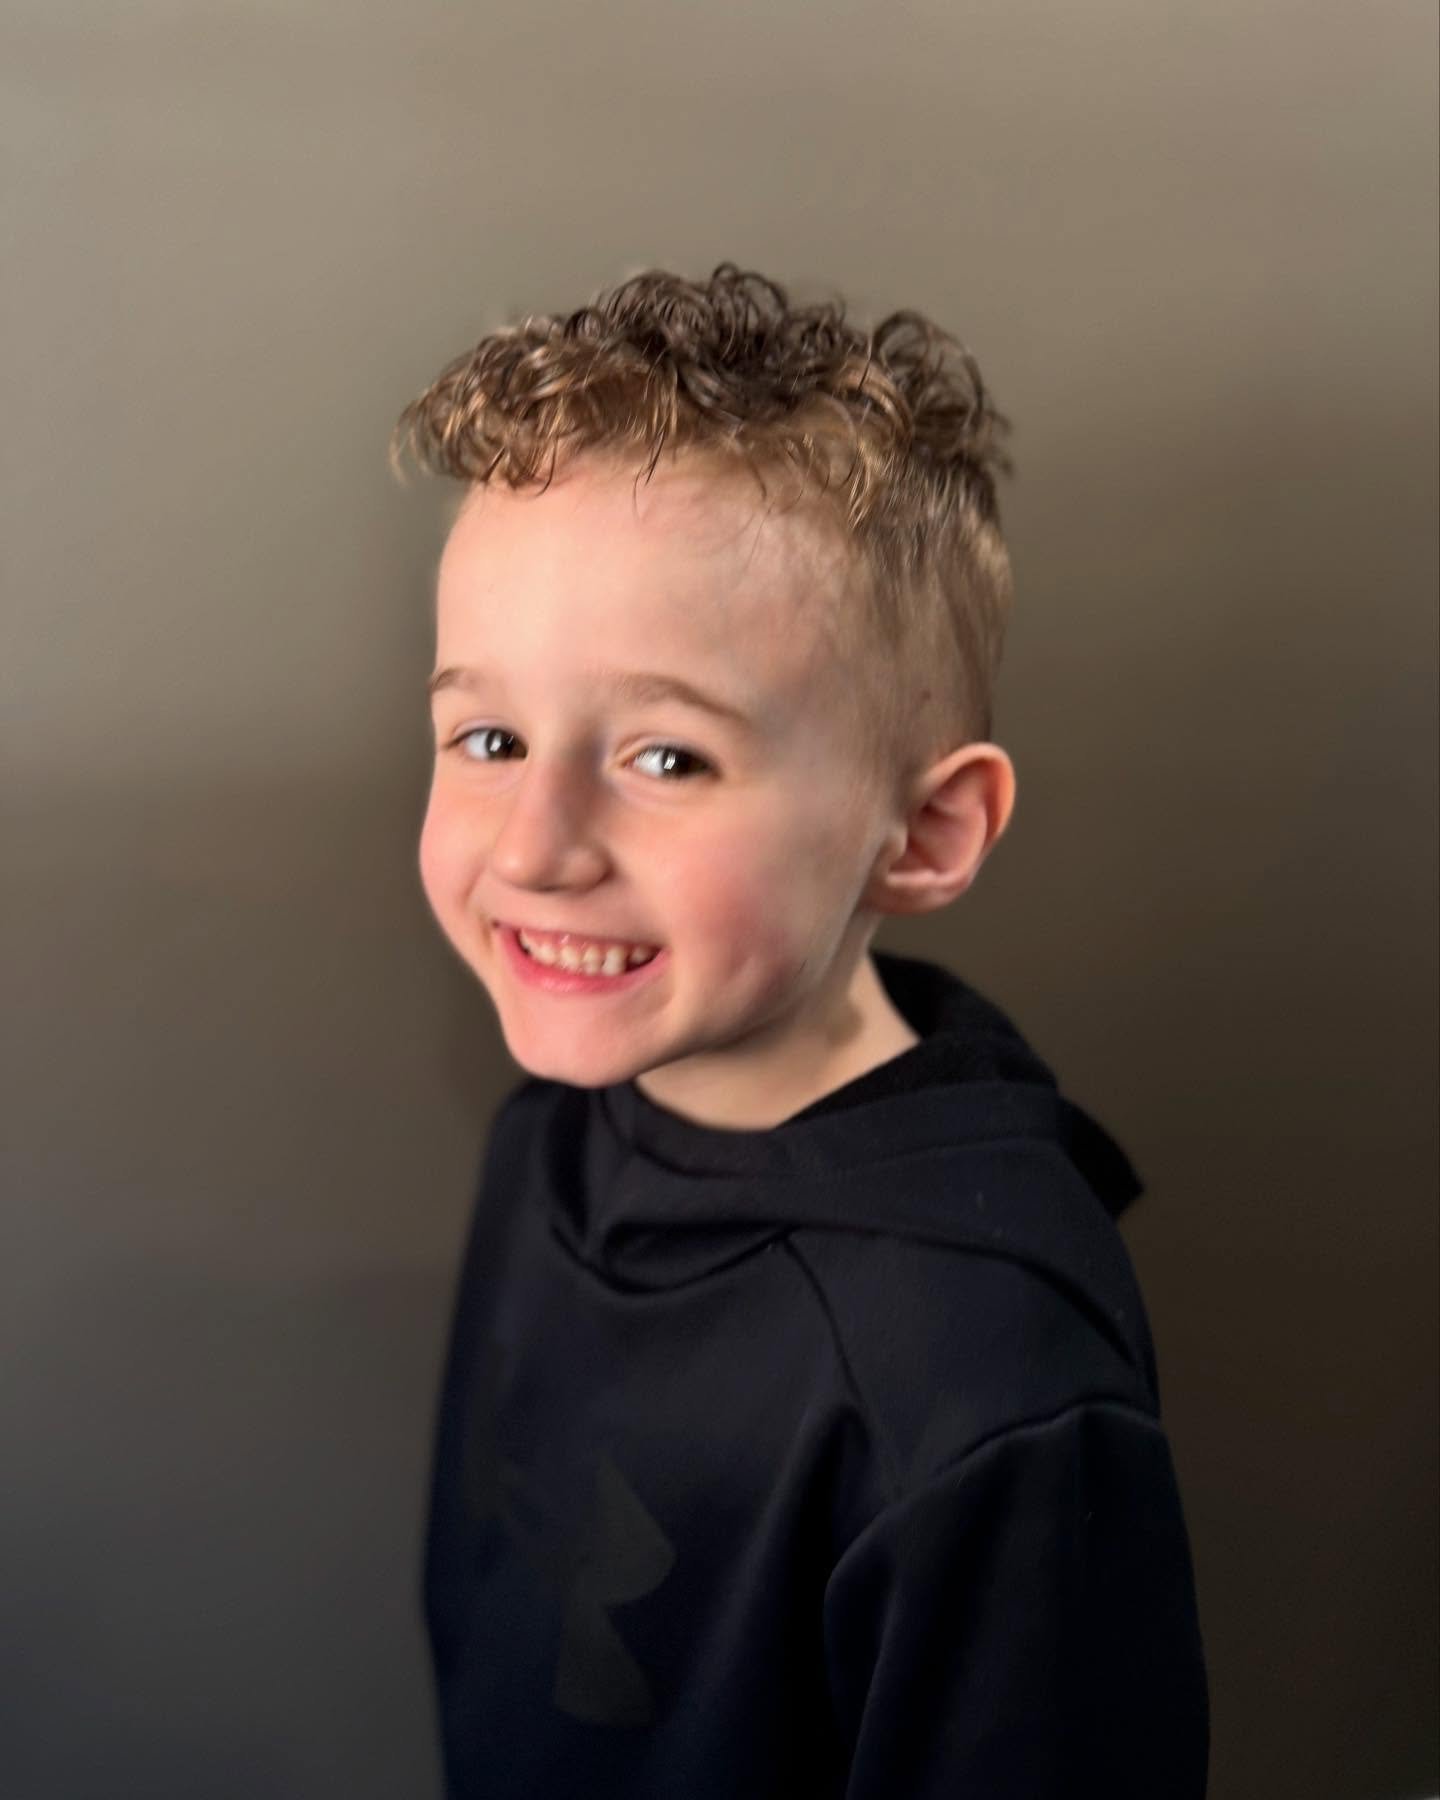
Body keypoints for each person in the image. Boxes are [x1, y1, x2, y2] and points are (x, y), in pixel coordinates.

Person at [390, 263, 1209, 1797]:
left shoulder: (986, 1389)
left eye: (667, 756)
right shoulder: (557, 1127)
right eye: (488, 737)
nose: (538, 843)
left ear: (925, 832)